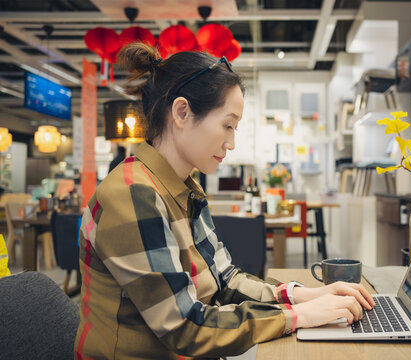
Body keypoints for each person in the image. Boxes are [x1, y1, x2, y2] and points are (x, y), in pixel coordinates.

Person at [74, 43, 375, 360]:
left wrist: (303, 296)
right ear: (182, 112)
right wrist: (300, 316)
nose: (231, 143)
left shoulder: (184, 188)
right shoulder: (132, 195)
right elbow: (184, 328)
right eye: (227, 125)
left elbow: (225, 280)